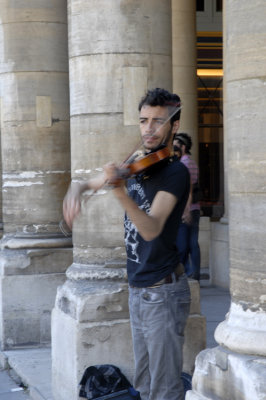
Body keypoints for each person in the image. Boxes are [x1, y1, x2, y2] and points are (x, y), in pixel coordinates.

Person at [63, 88, 191, 400]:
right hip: (138, 289)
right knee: (145, 385)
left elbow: (151, 229)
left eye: (158, 122)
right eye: (143, 120)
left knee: (165, 389)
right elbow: (90, 183)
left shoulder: (175, 172)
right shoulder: (137, 163)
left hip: (163, 292)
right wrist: (77, 188)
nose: (148, 128)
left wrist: (119, 191)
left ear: (173, 126)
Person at [173, 132, 201, 281]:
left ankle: (190, 273)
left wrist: (185, 210)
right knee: (192, 243)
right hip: (194, 208)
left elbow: (188, 189)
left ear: (183, 147)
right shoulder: (192, 162)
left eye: (176, 145)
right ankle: (194, 273)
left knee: (185, 244)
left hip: (188, 208)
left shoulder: (184, 163)